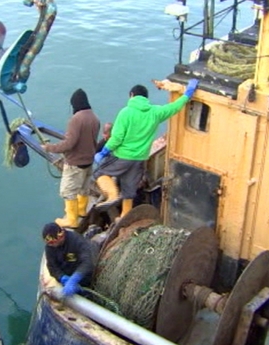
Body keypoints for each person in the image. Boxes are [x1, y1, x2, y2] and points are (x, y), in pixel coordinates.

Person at [94, 79, 199, 217]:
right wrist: (187, 94)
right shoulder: (155, 112)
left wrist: (104, 151)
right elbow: (174, 107)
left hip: (122, 156)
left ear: (131, 95)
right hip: (139, 159)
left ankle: (112, 195)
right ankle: (123, 217)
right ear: (145, 98)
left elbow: (117, 137)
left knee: (100, 173)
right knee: (129, 190)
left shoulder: (126, 112)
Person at [42, 89, 100, 228]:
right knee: (83, 188)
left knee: (67, 192)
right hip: (89, 162)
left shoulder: (76, 119)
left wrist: (50, 147)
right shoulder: (95, 118)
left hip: (75, 163)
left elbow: (69, 143)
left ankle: (72, 220)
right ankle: (82, 211)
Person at [42, 222, 96, 297]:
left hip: (83, 277)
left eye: (53, 242)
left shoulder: (76, 241)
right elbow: (52, 266)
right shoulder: (50, 247)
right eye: (49, 243)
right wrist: (62, 277)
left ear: (60, 236)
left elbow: (87, 262)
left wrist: (75, 278)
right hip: (66, 278)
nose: (52, 245)